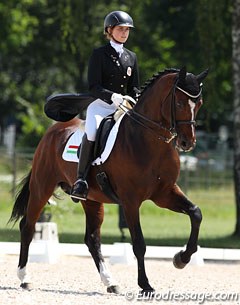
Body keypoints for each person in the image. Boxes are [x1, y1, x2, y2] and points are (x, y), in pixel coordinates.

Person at [71, 10, 140, 201]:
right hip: (100, 105)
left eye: (127, 30)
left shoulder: (131, 57)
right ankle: (81, 180)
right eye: (121, 29)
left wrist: (135, 99)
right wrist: (113, 97)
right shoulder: (99, 54)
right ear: (109, 30)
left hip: (123, 107)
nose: (125, 33)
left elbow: (134, 87)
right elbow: (93, 86)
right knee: (92, 131)